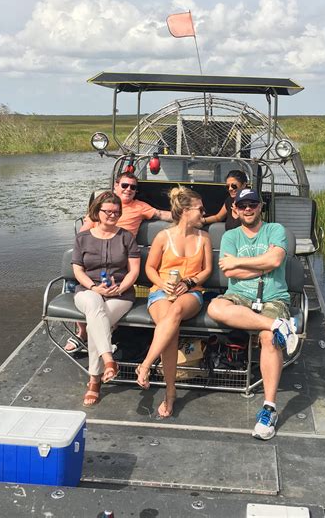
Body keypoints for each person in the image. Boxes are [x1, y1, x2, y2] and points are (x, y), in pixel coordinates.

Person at [207, 188, 298, 441]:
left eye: (253, 204)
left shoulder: (276, 230)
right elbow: (230, 272)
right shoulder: (230, 236)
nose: (248, 209)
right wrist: (262, 262)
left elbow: (276, 261)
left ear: (260, 207)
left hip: (272, 296)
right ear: (235, 209)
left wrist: (241, 263)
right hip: (239, 296)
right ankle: (278, 325)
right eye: (243, 205)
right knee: (215, 307)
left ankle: (269, 408)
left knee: (268, 339)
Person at [64, 172, 172, 353]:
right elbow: (83, 234)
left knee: (99, 308)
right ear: (116, 185)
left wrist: (190, 214)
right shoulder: (102, 205)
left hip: (120, 253)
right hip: (96, 252)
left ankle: (97, 361)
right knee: (76, 281)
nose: (128, 189)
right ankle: (82, 332)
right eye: (125, 185)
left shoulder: (140, 207)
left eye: (133, 187)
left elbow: (162, 214)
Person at [136, 186, 213, 418]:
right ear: (186, 211)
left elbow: (207, 270)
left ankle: (146, 365)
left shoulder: (204, 238)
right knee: (170, 331)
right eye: (200, 209)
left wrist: (189, 283)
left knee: (175, 312)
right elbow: (149, 267)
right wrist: (162, 282)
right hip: (161, 292)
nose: (203, 213)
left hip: (191, 293)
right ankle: (171, 393)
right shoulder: (163, 237)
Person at [71, 191, 141, 407]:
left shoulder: (126, 237)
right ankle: (108, 359)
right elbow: (77, 270)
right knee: (93, 304)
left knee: (95, 324)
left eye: (117, 212)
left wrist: (120, 288)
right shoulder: (83, 238)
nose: (112, 215)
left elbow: (133, 271)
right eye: (108, 211)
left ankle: (94, 380)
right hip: (87, 291)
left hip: (120, 294)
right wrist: (94, 287)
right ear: (97, 212)